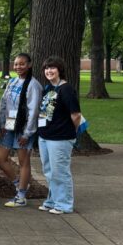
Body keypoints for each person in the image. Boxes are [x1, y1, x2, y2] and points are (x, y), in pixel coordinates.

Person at [0, 52, 43, 208]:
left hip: (23, 127)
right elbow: (4, 103)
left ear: (29, 65)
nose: (18, 67)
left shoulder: (33, 85)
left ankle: (21, 196)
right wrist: (2, 124)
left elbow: (34, 110)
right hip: (9, 124)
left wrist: (27, 133)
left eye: (22, 64)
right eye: (16, 64)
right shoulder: (13, 82)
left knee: (23, 161)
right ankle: (19, 184)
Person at [36, 55, 83, 214]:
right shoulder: (48, 88)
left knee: (60, 171)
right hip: (45, 136)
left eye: (52, 68)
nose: (49, 71)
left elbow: (75, 115)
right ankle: (52, 200)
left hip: (61, 138)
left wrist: (72, 132)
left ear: (59, 70)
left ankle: (64, 204)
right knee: (49, 171)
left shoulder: (66, 89)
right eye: (46, 68)